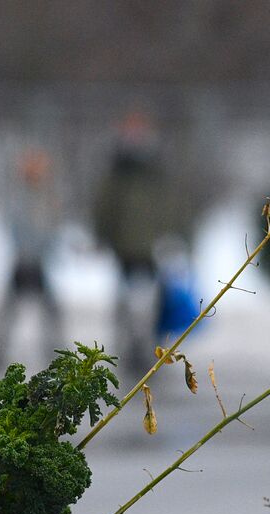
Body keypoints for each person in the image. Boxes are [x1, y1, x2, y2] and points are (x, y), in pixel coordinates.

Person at [93, 110, 182, 372]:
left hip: (150, 244)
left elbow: (167, 203)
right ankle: (128, 346)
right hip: (123, 244)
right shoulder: (117, 165)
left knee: (152, 300)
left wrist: (168, 234)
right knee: (124, 298)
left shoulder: (155, 166)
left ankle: (150, 347)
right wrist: (102, 234)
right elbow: (105, 203)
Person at [0, 146, 63, 372]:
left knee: (48, 310)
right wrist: (27, 251)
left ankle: (55, 349)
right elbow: (17, 228)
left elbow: (52, 228)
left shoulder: (46, 196)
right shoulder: (21, 198)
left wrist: (48, 248)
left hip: (39, 262)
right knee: (11, 309)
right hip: (25, 261)